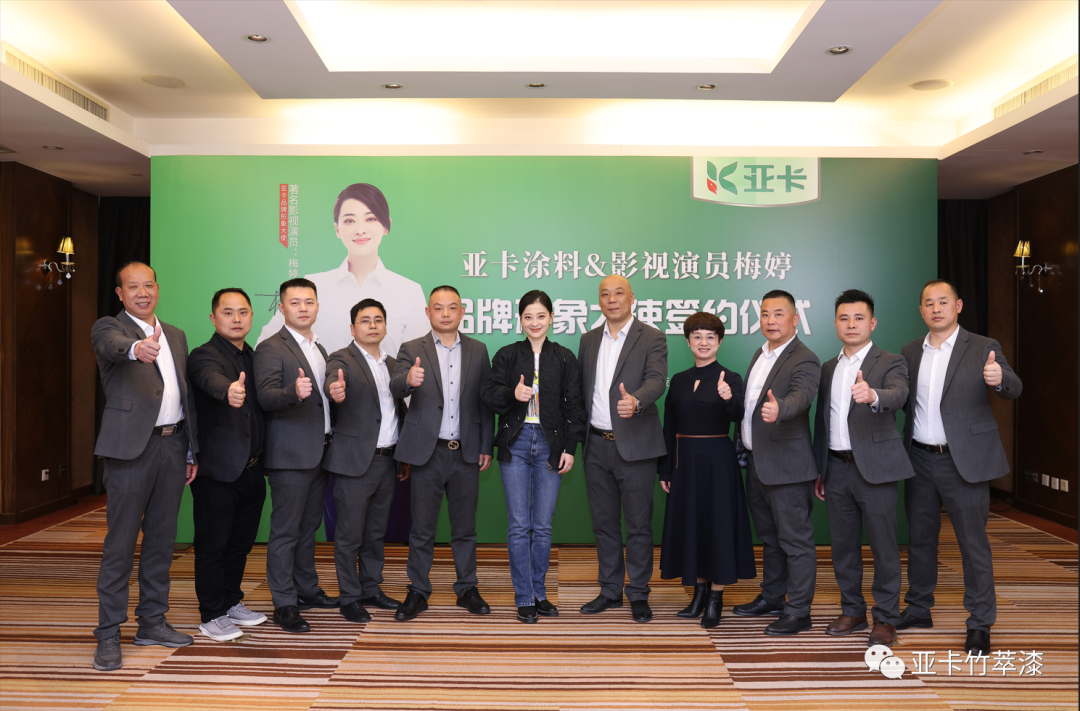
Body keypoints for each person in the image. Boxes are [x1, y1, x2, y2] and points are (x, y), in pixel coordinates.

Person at [899, 279, 1022, 657]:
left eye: (943, 301)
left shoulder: (983, 347)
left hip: (963, 460)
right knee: (920, 539)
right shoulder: (909, 351)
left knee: (972, 544)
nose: (936, 308)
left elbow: (1014, 387)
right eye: (929, 303)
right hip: (919, 459)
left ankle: (980, 622)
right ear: (921, 311)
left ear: (958, 306)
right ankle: (919, 608)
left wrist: (999, 380)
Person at [90, 261, 199, 671]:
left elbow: (183, 396)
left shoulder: (176, 335)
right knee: (120, 544)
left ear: (157, 289)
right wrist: (137, 349)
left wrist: (191, 451)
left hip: (173, 447)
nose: (142, 292)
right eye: (132, 287)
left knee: (161, 541)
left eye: (148, 285)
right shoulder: (109, 327)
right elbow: (114, 347)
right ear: (120, 294)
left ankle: (152, 621)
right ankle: (108, 632)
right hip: (129, 450)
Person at [812, 289, 914, 648]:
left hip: (876, 469)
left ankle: (886, 618)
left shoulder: (891, 361)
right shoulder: (828, 367)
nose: (851, 324)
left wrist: (873, 396)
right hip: (836, 467)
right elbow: (822, 421)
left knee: (884, 547)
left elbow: (899, 394)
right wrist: (820, 469)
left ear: (872, 323)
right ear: (836, 324)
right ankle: (852, 610)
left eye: (859, 318)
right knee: (843, 546)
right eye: (844, 318)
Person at [389, 285, 496, 622]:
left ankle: (467, 588)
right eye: (438, 308)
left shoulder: (478, 349)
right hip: (427, 453)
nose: (445, 313)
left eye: (452, 307)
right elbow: (395, 386)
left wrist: (485, 445)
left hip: (465, 452)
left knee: (465, 528)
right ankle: (418, 590)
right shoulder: (411, 348)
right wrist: (409, 379)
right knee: (422, 529)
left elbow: (485, 401)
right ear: (428, 312)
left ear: (462, 312)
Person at [480, 290, 587, 623]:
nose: (535, 322)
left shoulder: (565, 357)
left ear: (551, 318)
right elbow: (488, 394)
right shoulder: (507, 354)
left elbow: (575, 407)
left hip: (550, 444)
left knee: (542, 526)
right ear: (520, 320)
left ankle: (540, 592)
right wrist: (512, 393)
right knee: (518, 525)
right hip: (515, 442)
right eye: (528, 317)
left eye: (541, 316)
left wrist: (569, 448)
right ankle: (524, 596)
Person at [577, 274, 668, 623]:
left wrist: (637, 401)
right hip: (596, 446)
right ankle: (610, 589)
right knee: (604, 524)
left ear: (632, 298)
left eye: (619, 293)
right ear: (599, 301)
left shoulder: (652, 336)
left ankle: (639, 593)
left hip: (637, 447)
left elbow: (657, 380)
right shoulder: (588, 339)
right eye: (605, 294)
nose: (612, 299)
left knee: (639, 525)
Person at [731, 289, 821, 636]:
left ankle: (798, 611)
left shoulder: (805, 358)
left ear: (795, 319)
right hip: (757, 463)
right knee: (770, 537)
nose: (770, 320)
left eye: (778, 314)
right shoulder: (761, 353)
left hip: (787, 467)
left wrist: (781, 408)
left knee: (796, 541)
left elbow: (802, 396)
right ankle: (772, 596)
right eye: (765, 314)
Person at [658, 312, 755, 629]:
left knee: (718, 526)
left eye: (710, 336)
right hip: (684, 463)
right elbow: (669, 426)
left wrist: (728, 399)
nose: (703, 342)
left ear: (720, 341)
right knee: (693, 525)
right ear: (688, 341)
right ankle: (698, 594)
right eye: (697, 336)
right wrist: (665, 470)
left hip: (718, 463)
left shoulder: (731, 378)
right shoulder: (679, 379)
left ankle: (716, 598)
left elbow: (738, 414)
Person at [254, 278, 339, 634]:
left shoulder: (319, 347)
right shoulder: (270, 348)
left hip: (320, 452)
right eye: (295, 302)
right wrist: (293, 391)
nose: (303, 308)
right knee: (286, 532)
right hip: (290, 456)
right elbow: (265, 397)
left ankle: (307, 589)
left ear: (317, 306)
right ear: (281, 308)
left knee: (308, 528)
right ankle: (284, 603)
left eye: (309, 302)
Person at [256, 183, 428, 358]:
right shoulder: (313, 287)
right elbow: (265, 345)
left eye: (370, 219)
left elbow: (419, 359)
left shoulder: (410, 292)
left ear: (386, 226)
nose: (360, 230)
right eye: (349, 221)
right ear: (337, 229)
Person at [187, 288, 269, 642]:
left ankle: (231, 601)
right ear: (213, 318)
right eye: (228, 312)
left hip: (251, 469)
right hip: (218, 471)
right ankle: (211, 614)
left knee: (240, 543)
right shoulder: (203, 355)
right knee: (213, 545)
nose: (236, 319)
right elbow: (211, 379)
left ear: (251, 316)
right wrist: (229, 391)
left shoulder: (253, 355)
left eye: (243, 312)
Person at [323, 298, 409, 623]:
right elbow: (333, 381)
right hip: (354, 463)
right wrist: (335, 389)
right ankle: (349, 597)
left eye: (378, 320)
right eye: (365, 320)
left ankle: (370, 587)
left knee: (375, 532)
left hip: (388, 460)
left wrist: (403, 455)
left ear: (385, 326)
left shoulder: (393, 364)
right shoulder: (341, 358)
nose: (372, 325)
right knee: (349, 534)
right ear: (352, 328)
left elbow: (398, 412)